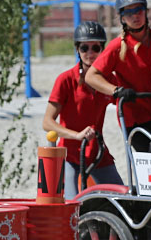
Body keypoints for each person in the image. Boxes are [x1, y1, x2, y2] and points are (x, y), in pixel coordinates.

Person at [42, 21, 124, 200]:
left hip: (98, 153)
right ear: (77, 50)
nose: (90, 53)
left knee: (123, 200)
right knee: (73, 206)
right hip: (70, 155)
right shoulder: (65, 80)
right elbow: (47, 122)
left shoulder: (109, 80)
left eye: (95, 47)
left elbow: (125, 106)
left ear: (103, 50)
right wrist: (76, 135)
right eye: (84, 48)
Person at [85, 0, 151, 155]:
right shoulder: (118, 47)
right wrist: (117, 91)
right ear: (122, 18)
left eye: (138, 10)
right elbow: (91, 76)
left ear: (146, 12)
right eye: (129, 12)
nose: (135, 16)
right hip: (135, 117)